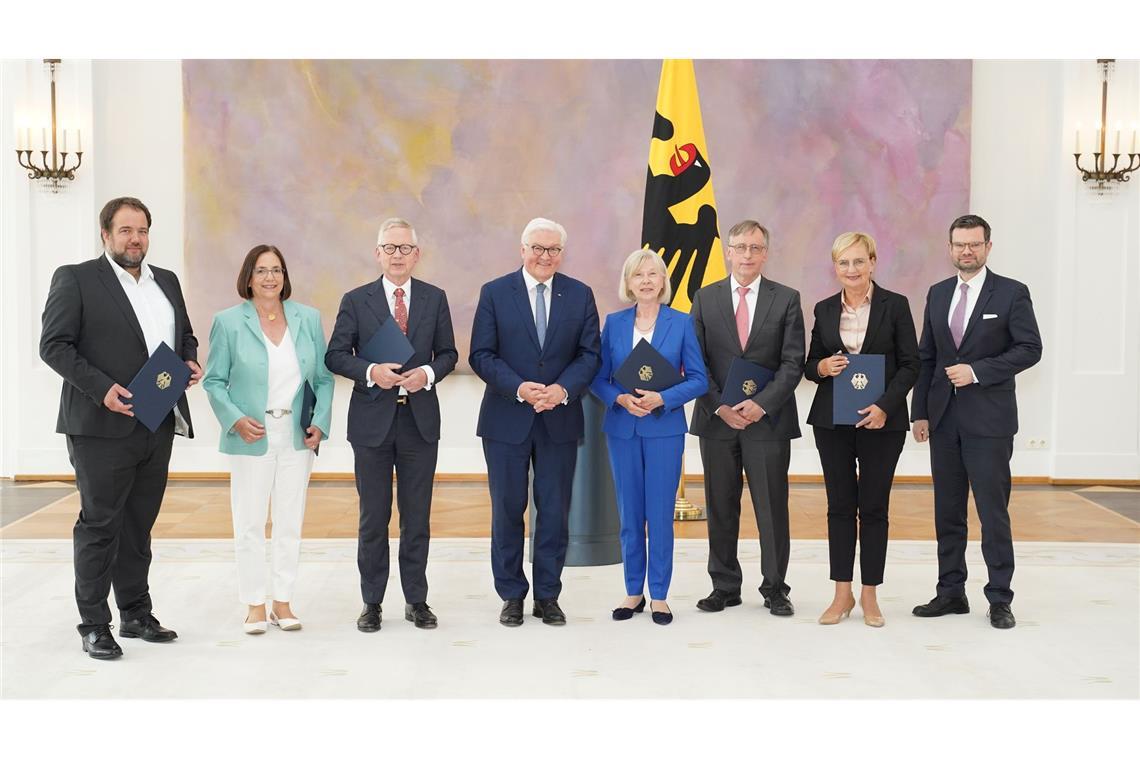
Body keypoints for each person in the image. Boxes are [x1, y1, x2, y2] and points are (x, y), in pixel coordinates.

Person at [40, 196, 202, 660]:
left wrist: (189, 357)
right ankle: (94, 624)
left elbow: (184, 334)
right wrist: (103, 388)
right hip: (99, 424)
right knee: (100, 524)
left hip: (157, 417)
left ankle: (135, 613)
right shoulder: (76, 279)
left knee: (139, 525)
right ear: (106, 234)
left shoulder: (165, 281)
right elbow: (54, 346)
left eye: (143, 230)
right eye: (126, 230)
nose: (136, 239)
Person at [325, 218, 458, 632]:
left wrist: (428, 375)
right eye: (390, 247)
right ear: (377, 252)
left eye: (405, 248)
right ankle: (372, 602)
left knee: (416, 518)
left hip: (419, 421)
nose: (397, 255)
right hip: (372, 424)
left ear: (417, 254)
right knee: (373, 518)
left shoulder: (435, 299)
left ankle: (417, 600)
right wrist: (370, 371)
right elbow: (334, 355)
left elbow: (449, 353)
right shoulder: (355, 299)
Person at [911, 214, 1042, 630]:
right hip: (944, 423)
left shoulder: (1011, 293)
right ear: (949, 248)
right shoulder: (937, 293)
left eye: (974, 244)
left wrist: (978, 370)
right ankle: (951, 592)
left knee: (992, 513)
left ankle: (1000, 598)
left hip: (989, 423)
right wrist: (920, 411)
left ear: (988, 247)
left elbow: (1030, 348)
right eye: (959, 244)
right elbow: (927, 357)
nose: (966, 251)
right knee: (947, 512)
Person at [470, 217, 601, 627]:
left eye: (553, 250)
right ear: (523, 250)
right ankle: (511, 594)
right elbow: (481, 354)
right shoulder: (495, 293)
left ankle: (548, 595)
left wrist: (561, 390)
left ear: (562, 254)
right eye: (538, 248)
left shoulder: (579, 295)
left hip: (558, 419)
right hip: (506, 418)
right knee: (507, 510)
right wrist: (520, 388)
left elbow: (589, 356)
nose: (546, 256)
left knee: (554, 511)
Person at [202, 245, 334, 634]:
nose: (270, 277)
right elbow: (213, 381)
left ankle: (283, 602)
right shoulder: (227, 322)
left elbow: (323, 378)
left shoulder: (307, 318)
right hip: (251, 434)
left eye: (276, 269)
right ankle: (254, 604)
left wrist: (320, 422)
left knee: (290, 522)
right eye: (261, 270)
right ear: (248, 277)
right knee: (250, 522)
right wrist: (235, 419)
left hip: (296, 435)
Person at [689, 219, 805, 617]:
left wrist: (762, 404)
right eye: (740, 247)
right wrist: (719, 404)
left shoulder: (786, 298)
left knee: (772, 507)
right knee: (720, 505)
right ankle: (724, 585)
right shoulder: (704, 299)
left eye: (756, 248)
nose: (748, 255)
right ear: (729, 252)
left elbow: (793, 363)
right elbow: (696, 361)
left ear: (766, 253)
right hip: (717, 420)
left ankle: (775, 588)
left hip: (767, 421)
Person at [804, 232, 919, 627]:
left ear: (872, 262)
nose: (850, 270)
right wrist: (821, 367)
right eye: (843, 263)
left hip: (882, 422)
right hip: (832, 421)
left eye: (858, 261)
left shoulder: (896, 306)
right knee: (839, 507)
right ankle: (842, 593)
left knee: (873, 508)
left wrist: (886, 407)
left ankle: (870, 595)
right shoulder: (822, 309)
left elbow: (911, 364)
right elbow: (810, 364)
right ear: (835, 267)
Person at [589, 250, 707, 626]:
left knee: (659, 515)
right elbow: (599, 378)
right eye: (638, 274)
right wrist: (619, 398)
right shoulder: (615, 323)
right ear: (628, 282)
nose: (646, 280)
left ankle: (659, 595)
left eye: (653, 274)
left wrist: (662, 398)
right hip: (623, 428)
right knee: (629, 514)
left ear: (663, 282)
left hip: (664, 430)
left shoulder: (682, 323)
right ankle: (632, 591)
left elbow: (699, 379)